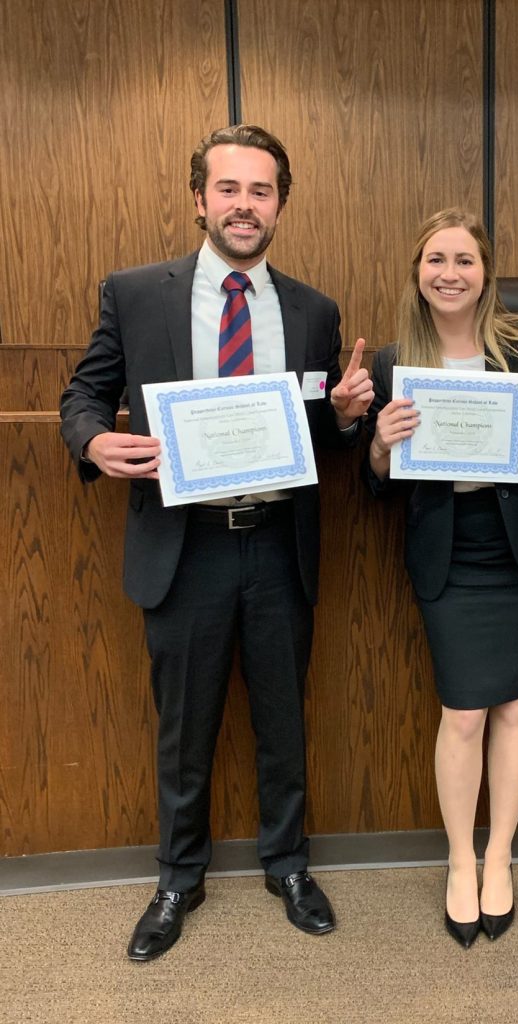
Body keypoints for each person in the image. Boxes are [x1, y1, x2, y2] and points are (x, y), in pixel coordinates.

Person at [59, 124, 373, 961]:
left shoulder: (313, 310)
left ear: (280, 206)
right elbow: (83, 394)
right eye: (228, 189)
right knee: (183, 727)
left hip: (278, 544)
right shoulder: (135, 294)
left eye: (261, 191)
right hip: (183, 544)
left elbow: (324, 432)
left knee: (283, 719)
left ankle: (288, 866)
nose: (244, 205)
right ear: (199, 198)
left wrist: (344, 418)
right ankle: (177, 877)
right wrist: (92, 441)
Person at [364, 208, 518, 947]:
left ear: (485, 272)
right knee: (462, 712)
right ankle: (460, 860)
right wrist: (377, 449)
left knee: (516, 709)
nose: (449, 273)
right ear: (417, 271)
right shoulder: (393, 360)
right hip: (449, 553)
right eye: (435, 259)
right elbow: (375, 485)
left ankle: (500, 858)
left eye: (464, 259)